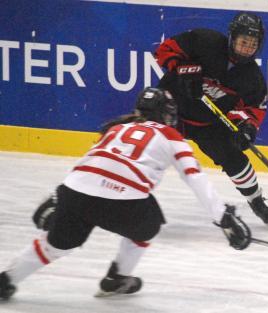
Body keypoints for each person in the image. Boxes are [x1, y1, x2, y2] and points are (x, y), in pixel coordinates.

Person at [0, 87, 251, 301]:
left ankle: (6, 279)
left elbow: (91, 162)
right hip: (122, 199)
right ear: (166, 114)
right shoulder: (172, 136)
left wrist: (58, 196)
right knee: (150, 224)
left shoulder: (115, 128)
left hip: (75, 189)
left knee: (57, 243)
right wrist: (224, 218)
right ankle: (117, 278)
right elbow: (194, 178)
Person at [154, 12, 268, 225]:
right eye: (243, 42)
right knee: (145, 146)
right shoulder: (205, 41)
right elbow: (164, 50)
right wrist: (181, 68)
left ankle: (256, 201)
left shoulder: (252, 78)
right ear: (232, 38)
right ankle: (128, 189)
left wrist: (247, 128)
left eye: (253, 44)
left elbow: (253, 110)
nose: (247, 48)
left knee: (235, 158)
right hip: (170, 110)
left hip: (208, 124)